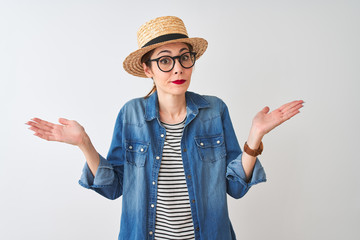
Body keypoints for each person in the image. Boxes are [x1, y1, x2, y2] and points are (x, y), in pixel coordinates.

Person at [26, 16, 304, 240]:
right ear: (148, 69)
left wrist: (255, 135)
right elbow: (114, 188)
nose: (178, 69)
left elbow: (235, 187)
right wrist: (84, 143)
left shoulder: (214, 110)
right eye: (165, 60)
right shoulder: (131, 114)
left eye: (185, 57)